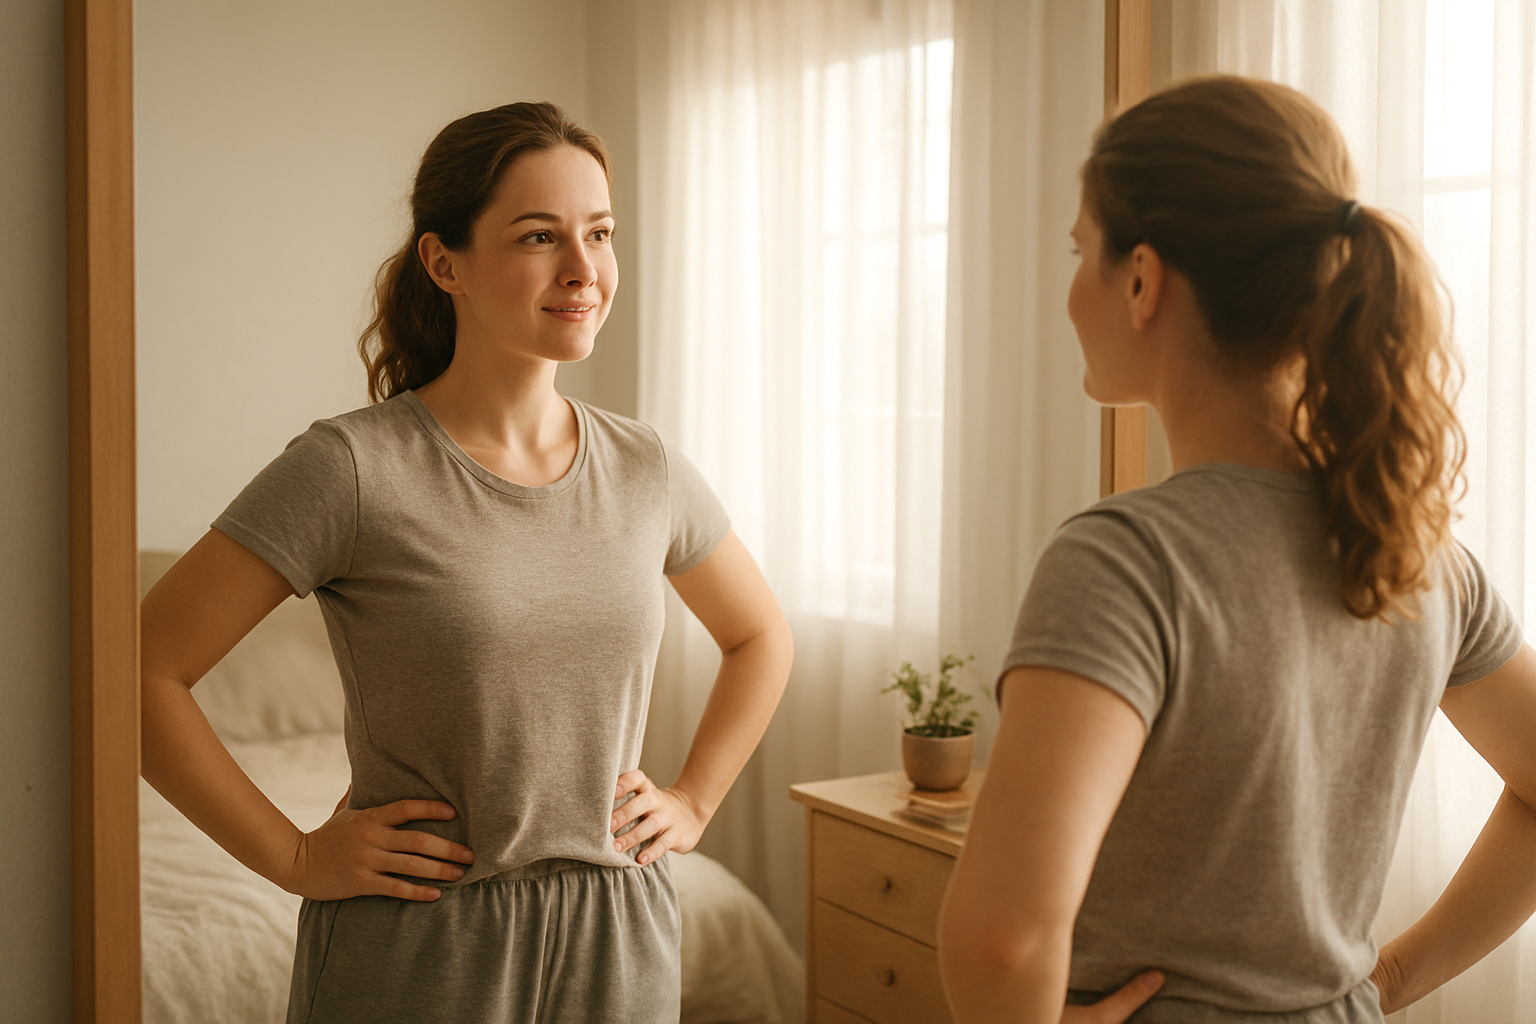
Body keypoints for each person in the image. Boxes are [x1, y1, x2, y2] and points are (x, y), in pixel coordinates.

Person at [139, 101, 793, 1024]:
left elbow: (761, 636)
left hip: (621, 933)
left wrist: (692, 799)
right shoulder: (353, 469)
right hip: (420, 943)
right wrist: (294, 857)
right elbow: (136, 670)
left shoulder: (646, 467)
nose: (583, 270)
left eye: (599, 234)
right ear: (445, 262)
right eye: (539, 236)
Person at [936, 75, 1536, 1024]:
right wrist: (1389, 984)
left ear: (1142, 280)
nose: (1069, 289)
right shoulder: (1421, 556)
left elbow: (1001, 938)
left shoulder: (1129, 561)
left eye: (1079, 251)